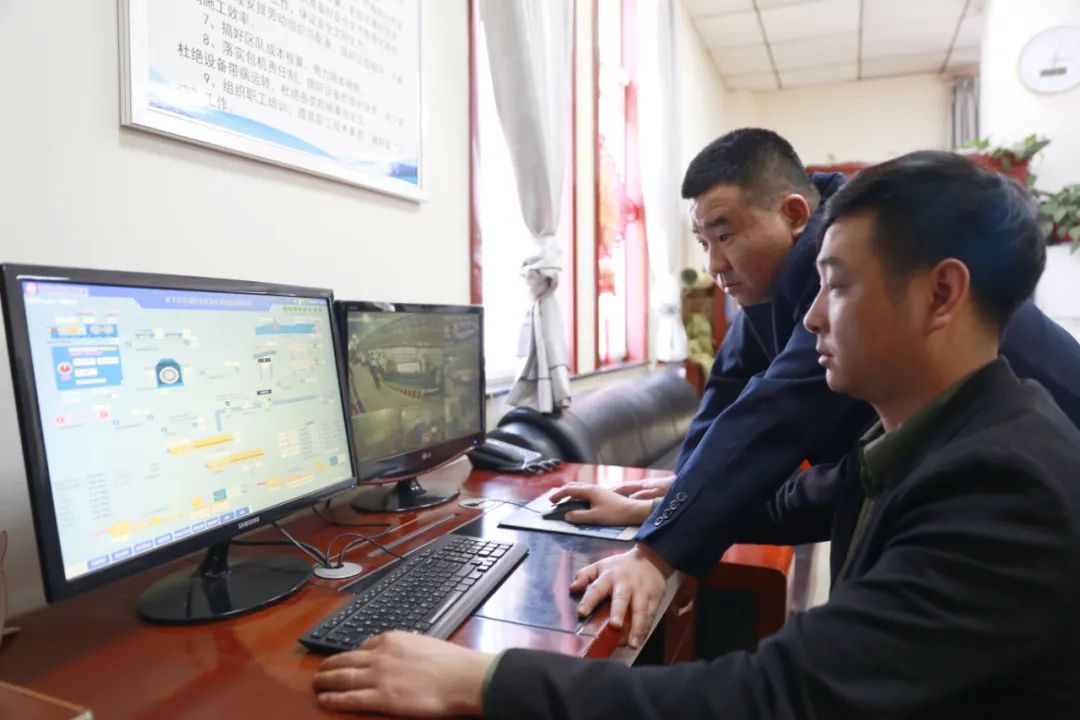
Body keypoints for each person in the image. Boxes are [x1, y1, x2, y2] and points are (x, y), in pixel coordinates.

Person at [311, 151, 1080, 719]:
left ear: (942, 294)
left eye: (839, 286)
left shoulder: (1001, 489)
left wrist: (481, 680)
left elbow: (774, 696)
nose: (813, 317)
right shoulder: (942, 439)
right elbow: (783, 465)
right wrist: (659, 505)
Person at [546, 129, 1080, 651]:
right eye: (704, 243)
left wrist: (656, 552)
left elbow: (772, 414)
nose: (713, 265)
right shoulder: (790, 269)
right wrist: (674, 503)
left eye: (725, 237)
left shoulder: (1010, 467)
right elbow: (732, 391)